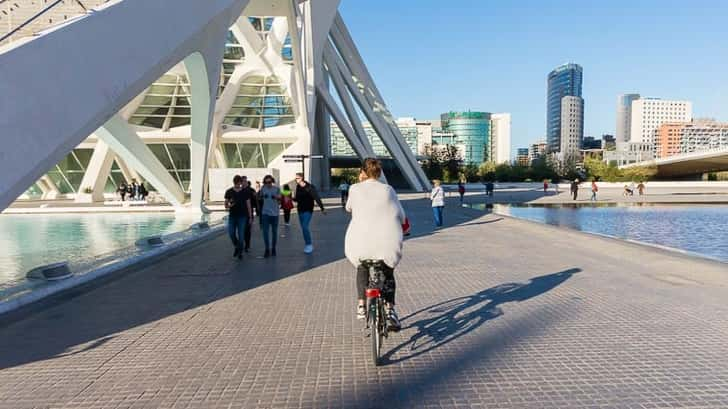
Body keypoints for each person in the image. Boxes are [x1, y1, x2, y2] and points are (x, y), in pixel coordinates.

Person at [345, 158, 405, 330]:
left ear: (363, 172)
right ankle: (390, 310)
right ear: (379, 173)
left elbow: (349, 208)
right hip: (386, 241)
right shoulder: (388, 189)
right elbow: (400, 213)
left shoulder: (354, 189)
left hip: (359, 241)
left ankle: (361, 305)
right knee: (388, 271)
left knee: (362, 267)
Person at [293, 172, 325, 254]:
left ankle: (309, 245)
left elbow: (316, 197)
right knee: (303, 228)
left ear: (302, 178)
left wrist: (322, 208)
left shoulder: (310, 187)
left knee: (304, 226)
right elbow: (297, 199)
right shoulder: (298, 187)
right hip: (300, 210)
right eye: (295, 178)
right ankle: (307, 244)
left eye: (297, 178)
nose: (296, 180)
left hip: (308, 210)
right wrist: (290, 197)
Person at [224, 175, 253, 259]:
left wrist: (250, 217)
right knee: (231, 233)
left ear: (241, 183)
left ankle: (240, 252)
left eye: (239, 183)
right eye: (236, 183)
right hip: (232, 216)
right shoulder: (229, 191)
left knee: (241, 235)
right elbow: (226, 205)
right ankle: (237, 247)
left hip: (242, 216)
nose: (238, 185)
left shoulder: (245, 192)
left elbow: (248, 205)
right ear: (234, 183)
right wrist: (229, 205)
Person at [259, 175, 281, 258]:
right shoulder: (263, 188)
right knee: (265, 232)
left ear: (272, 181)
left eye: (270, 182)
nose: (268, 184)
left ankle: (273, 248)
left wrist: (276, 197)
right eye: (266, 182)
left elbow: (280, 200)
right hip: (265, 214)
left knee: (274, 232)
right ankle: (267, 249)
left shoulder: (277, 189)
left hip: (275, 214)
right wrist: (261, 197)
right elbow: (260, 197)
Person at [242, 177, 256, 252]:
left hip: (248, 213)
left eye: (245, 181)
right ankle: (245, 244)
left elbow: (255, 201)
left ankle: (247, 244)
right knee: (243, 230)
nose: (244, 183)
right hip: (241, 214)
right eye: (243, 181)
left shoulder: (251, 190)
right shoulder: (239, 190)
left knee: (247, 230)